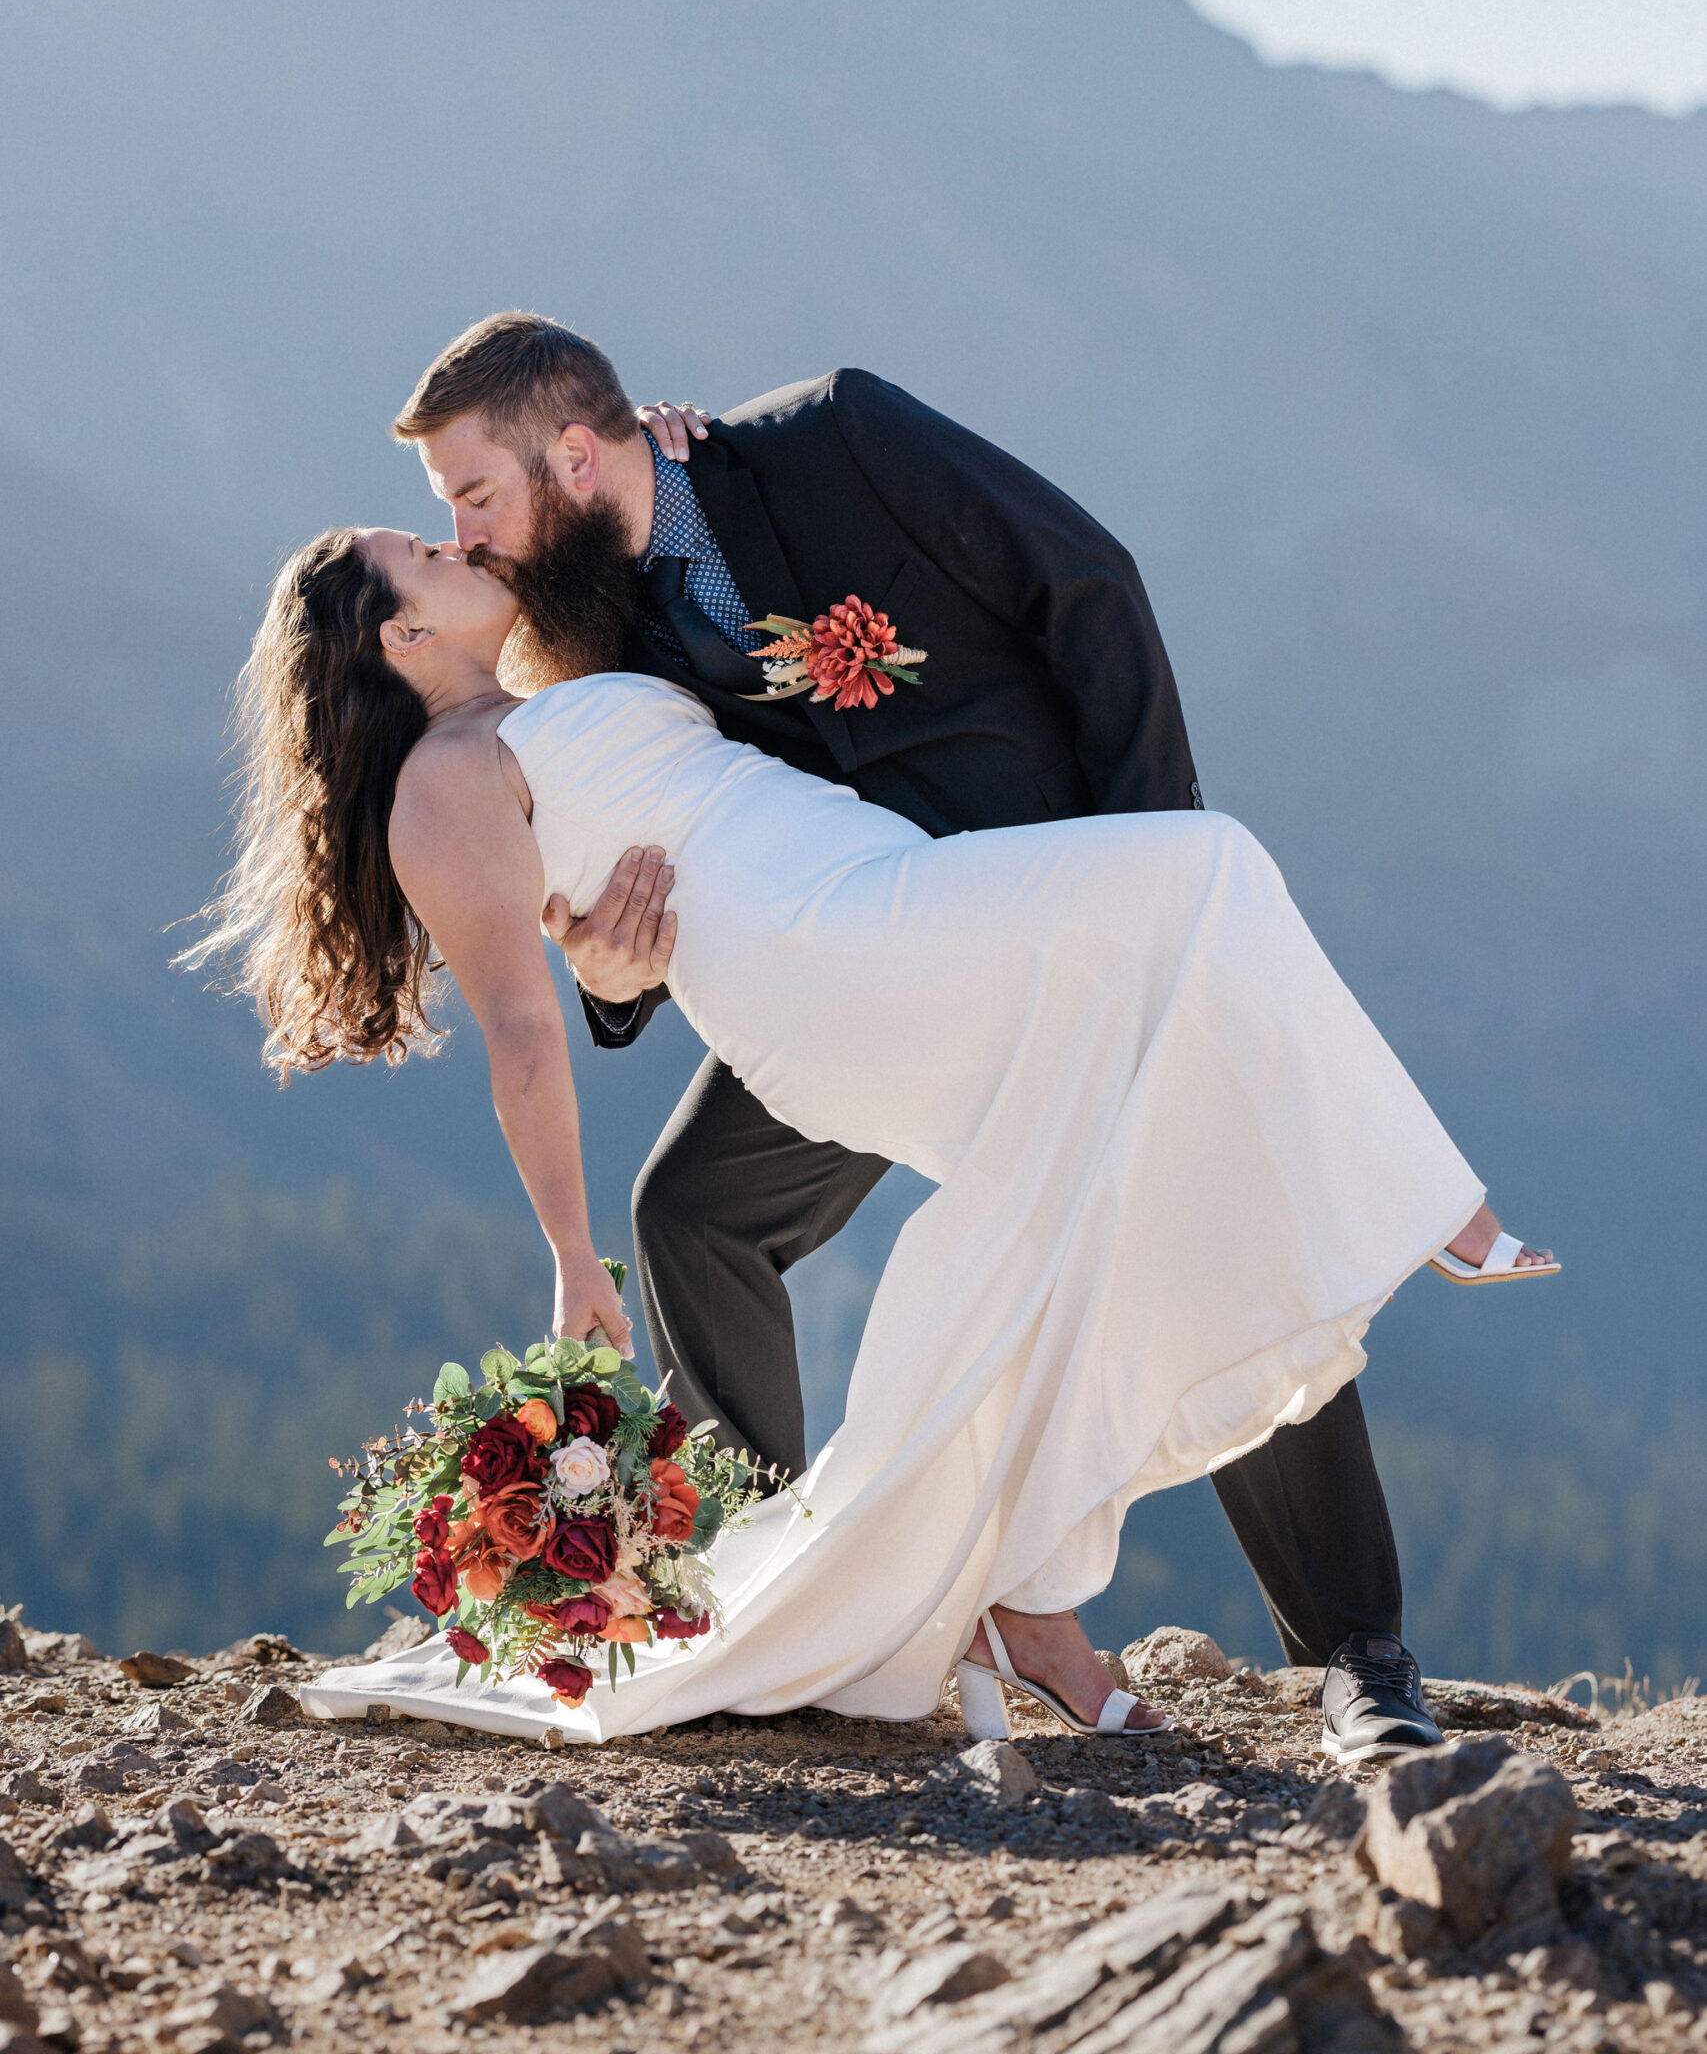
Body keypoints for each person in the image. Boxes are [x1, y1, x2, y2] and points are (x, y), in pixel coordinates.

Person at [191, 326, 1553, 1759]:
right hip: (855, 953)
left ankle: (1348, 1653)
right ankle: (790, 1592)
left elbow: (1088, 586)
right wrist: (604, 971)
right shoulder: (592, 627)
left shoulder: (832, 441)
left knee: (1196, 1159)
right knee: (691, 1213)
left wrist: (1145, 884)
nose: (467, 535)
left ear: (577, 456)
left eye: (473, 495)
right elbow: (605, 876)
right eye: (443, 524)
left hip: (1025, 888)